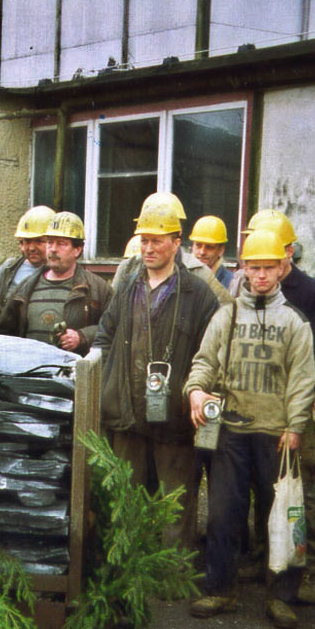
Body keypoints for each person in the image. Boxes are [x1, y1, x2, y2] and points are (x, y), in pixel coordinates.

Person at [185, 229, 315, 626]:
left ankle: (281, 596)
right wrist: (195, 391)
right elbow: (205, 360)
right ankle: (220, 590)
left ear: (282, 268)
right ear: (242, 268)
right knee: (223, 514)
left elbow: (303, 379)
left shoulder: (294, 321)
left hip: (276, 434)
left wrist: (295, 426)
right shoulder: (227, 315)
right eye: (253, 267)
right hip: (231, 429)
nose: (260, 275)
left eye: (268, 268)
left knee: (281, 517)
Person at [92, 199, 220, 549]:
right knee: (127, 496)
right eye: (144, 240)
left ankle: (174, 573)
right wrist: (106, 386)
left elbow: (212, 350)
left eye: (157, 241)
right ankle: (132, 570)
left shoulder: (199, 293)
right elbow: (105, 335)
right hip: (128, 411)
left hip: (175, 417)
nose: (148, 248)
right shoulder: (128, 285)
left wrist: (195, 391)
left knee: (175, 499)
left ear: (177, 243)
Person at [240, 208, 315, 605]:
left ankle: (313, 567)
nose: (265, 268)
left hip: (296, 410)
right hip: (260, 408)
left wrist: (308, 405)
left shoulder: (313, 293)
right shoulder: (250, 289)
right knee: (263, 487)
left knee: (302, 491)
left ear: (288, 254)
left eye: (274, 258)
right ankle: (267, 558)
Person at [0, 211, 112, 354]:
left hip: (72, 372)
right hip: (30, 372)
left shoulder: (98, 289)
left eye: (61, 244)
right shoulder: (24, 288)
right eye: (50, 242)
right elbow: (3, 334)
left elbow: (114, 328)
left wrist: (82, 337)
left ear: (77, 249)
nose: (53, 249)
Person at [112, 193, 233, 306]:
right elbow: (111, 315)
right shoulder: (128, 268)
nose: (149, 248)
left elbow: (227, 313)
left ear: (178, 232)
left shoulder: (198, 271)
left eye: (157, 239)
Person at [0, 205, 56, 308]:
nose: (31, 248)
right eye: (27, 241)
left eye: (39, 241)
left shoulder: (61, 273)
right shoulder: (9, 268)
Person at [189, 216, 234, 289]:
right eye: (198, 245)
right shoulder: (179, 278)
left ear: (221, 250)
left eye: (209, 247)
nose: (202, 252)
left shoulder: (231, 284)